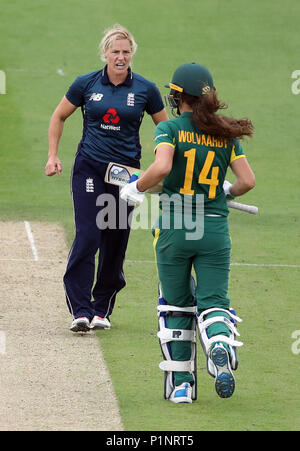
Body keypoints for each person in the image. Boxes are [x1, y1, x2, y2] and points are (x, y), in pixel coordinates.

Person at [121, 62, 255, 402]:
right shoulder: (226, 133)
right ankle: (221, 344)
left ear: (178, 97)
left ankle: (182, 385)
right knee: (214, 303)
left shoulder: (170, 129)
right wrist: (226, 191)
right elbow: (247, 182)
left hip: (176, 228)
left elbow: (163, 167)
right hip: (213, 229)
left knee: (176, 306)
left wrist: (136, 187)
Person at [45, 24, 168, 333]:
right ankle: (80, 310)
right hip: (89, 167)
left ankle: (102, 309)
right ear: (105, 53)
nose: (121, 57)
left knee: (116, 239)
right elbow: (59, 115)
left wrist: (163, 164)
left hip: (127, 176)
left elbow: (167, 129)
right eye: (115, 51)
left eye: (126, 52)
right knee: (89, 234)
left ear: (132, 54)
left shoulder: (146, 89)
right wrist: (53, 155)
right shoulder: (85, 84)